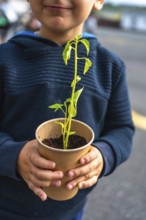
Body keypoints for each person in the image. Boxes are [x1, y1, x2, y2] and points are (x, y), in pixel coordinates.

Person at [0, 0, 135, 219]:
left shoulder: (110, 67)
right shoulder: (5, 59)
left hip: (71, 211)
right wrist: (14, 155)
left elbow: (122, 129)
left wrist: (104, 154)